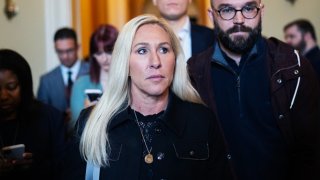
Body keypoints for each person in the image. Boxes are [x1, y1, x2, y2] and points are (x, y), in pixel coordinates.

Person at [61, 14, 232, 180]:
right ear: (125, 63)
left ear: (175, 60)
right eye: (142, 50)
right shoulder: (92, 123)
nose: (155, 61)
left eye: (164, 49)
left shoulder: (202, 121)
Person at [188, 0, 320, 180]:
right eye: (227, 10)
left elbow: (310, 152)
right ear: (212, 16)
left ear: (261, 11)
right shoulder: (193, 73)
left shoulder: (294, 66)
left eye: (249, 8)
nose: (239, 19)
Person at [0, 49, 66, 179]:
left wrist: (36, 166)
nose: (3, 96)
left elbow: (65, 168)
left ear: (24, 85)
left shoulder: (50, 118)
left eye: (11, 87)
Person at [70, 24, 118, 131]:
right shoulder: (81, 84)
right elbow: (75, 125)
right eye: (99, 53)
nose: (104, 59)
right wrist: (87, 112)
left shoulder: (130, 82)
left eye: (109, 51)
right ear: (93, 55)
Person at [37, 27, 89, 119]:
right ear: (55, 49)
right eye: (60, 51)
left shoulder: (93, 72)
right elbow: (41, 116)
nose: (65, 56)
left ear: (78, 47)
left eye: (69, 51)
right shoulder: (46, 81)